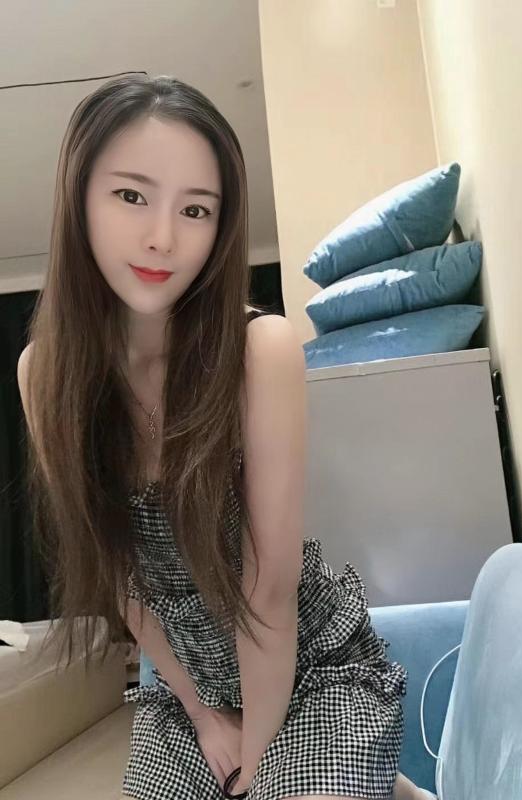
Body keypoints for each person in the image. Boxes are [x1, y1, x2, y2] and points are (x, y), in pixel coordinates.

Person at [17, 73, 436, 800]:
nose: (162, 237)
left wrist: (260, 769)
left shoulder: (257, 349)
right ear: (78, 197)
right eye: (131, 196)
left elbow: (267, 590)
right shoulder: (44, 375)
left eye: (196, 209)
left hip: (307, 668)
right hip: (192, 689)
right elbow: (119, 573)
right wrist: (205, 716)